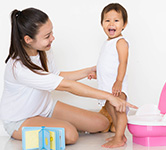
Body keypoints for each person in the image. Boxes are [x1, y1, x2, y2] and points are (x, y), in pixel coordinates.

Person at [0, 7, 137, 145]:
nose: (52, 38)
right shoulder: (18, 68)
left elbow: (56, 76)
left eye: (51, 32)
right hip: (20, 120)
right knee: (70, 134)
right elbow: (67, 86)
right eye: (47, 36)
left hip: (45, 108)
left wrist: (88, 71)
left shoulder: (43, 50)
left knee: (102, 123)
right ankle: (47, 127)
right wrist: (109, 97)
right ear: (28, 39)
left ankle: (52, 124)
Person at [89, 3, 130, 148]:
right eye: (107, 20)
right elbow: (107, 64)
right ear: (102, 24)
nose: (111, 23)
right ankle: (120, 135)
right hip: (106, 86)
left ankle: (118, 138)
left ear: (124, 24)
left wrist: (119, 81)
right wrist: (97, 75)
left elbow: (123, 63)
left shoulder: (121, 42)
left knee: (119, 110)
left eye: (116, 20)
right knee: (111, 109)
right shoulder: (107, 43)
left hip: (116, 86)